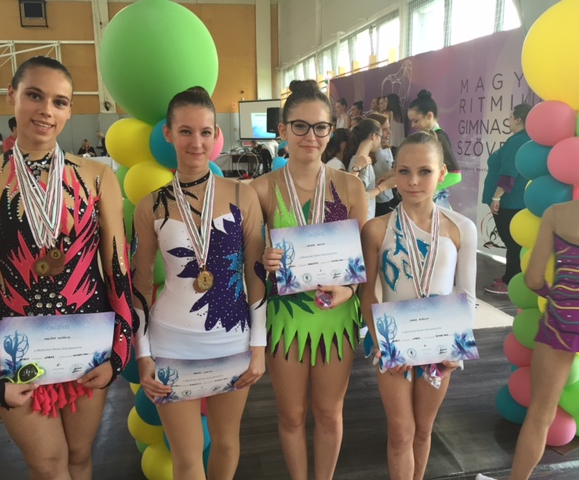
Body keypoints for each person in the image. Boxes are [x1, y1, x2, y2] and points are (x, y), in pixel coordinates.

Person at [0, 55, 134, 480]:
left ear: (69, 110)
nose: (46, 110)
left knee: (80, 457)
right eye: (34, 95)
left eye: (60, 102)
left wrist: (119, 352)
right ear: (11, 95)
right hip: (16, 351)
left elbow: (118, 270)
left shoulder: (97, 176)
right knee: (48, 465)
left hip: (87, 349)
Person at [132, 86, 267, 480]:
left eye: (206, 132)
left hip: (232, 339)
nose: (197, 142)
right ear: (168, 134)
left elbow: (256, 276)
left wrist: (258, 348)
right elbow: (140, 283)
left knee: (226, 443)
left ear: (216, 135)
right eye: (186, 131)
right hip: (171, 343)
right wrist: (143, 354)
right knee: (187, 458)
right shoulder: (150, 205)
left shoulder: (243, 194)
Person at [252, 79, 368, 480]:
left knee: (329, 412)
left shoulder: (351, 187)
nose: (311, 136)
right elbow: (250, 264)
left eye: (320, 127)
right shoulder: (260, 189)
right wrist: (263, 260)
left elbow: (362, 260)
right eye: (300, 126)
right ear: (282, 130)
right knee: (291, 414)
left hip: (337, 316)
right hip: (286, 318)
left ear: (331, 131)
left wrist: (350, 289)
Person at [360, 131, 476, 480]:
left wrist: (455, 347)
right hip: (392, 343)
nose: (413, 181)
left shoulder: (461, 228)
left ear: (442, 173)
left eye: (424, 171)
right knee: (401, 432)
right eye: (404, 171)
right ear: (393, 174)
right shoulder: (376, 229)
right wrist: (381, 343)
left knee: (424, 430)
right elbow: (368, 294)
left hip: (440, 346)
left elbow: (466, 294)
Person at [496, 201, 579, 480]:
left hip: (563, 320)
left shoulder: (557, 214)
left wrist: (554, 294)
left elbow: (532, 279)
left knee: (540, 416)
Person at [481, 103, 532, 295]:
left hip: (510, 202)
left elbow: (509, 172)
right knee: (515, 244)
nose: (508, 120)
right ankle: (511, 278)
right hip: (516, 201)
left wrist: (497, 197)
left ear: (518, 119)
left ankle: (511, 283)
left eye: (510, 117)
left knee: (513, 244)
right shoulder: (524, 139)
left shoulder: (518, 140)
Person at [407, 89, 461, 208]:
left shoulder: (440, 137)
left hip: (436, 202)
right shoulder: (427, 137)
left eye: (416, 121)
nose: (413, 125)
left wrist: (426, 187)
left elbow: (455, 175)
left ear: (429, 116)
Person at [344, 118, 390, 221]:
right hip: (363, 219)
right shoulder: (363, 162)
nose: (380, 141)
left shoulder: (356, 158)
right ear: (374, 136)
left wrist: (375, 183)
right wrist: (384, 187)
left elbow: (362, 187)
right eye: (380, 136)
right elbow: (358, 197)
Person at [366, 112, 398, 216]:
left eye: (389, 128)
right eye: (385, 129)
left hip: (388, 197)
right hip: (375, 201)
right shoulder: (367, 155)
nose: (389, 132)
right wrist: (388, 174)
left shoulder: (386, 149)